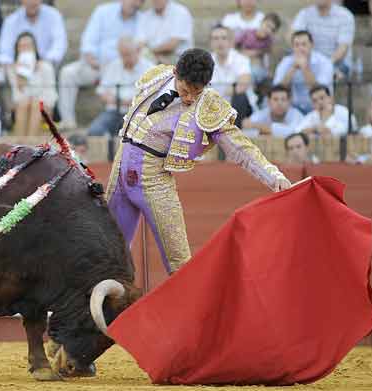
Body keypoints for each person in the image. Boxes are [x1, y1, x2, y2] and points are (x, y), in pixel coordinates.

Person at [106, 48, 291, 274]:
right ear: (175, 73)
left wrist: (274, 177)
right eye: (185, 90)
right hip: (121, 168)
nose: (190, 98)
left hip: (155, 180)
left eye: (197, 92)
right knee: (108, 251)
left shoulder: (208, 105)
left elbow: (238, 146)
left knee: (180, 262)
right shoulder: (156, 77)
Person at [57, 0, 143, 130]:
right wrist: (92, 60)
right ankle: (68, 122)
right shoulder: (103, 11)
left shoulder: (142, 19)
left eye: (140, 1)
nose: (136, 3)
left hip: (122, 68)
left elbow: (139, 48)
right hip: (97, 65)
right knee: (68, 73)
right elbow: (88, 42)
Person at [88, 37, 153, 138]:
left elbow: (147, 98)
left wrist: (119, 100)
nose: (125, 58)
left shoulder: (149, 68)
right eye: (122, 55)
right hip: (113, 111)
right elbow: (102, 92)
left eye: (128, 54)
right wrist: (122, 101)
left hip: (137, 114)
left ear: (137, 51)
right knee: (95, 131)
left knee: (136, 136)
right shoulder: (113, 65)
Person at [6, 32, 57, 136]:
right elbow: (17, 97)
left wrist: (33, 73)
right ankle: (21, 144)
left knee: (35, 104)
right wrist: (21, 77)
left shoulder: (45, 66)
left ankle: (30, 143)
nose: (25, 49)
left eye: (28, 46)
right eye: (22, 46)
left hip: (44, 105)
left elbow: (51, 94)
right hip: (23, 105)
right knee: (24, 103)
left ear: (34, 48)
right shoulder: (12, 69)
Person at [273, 31, 334, 114]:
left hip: (319, 107)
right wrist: (293, 69)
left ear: (312, 45)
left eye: (304, 44)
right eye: (296, 45)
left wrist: (305, 68)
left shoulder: (324, 62)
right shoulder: (286, 62)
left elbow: (319, 90)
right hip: (294, 108)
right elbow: (278, 89)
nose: (300, 48)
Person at [291, 0, 355, 77]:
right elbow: (293, 37)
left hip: (337, 63)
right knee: (289, 63)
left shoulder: (345, 16)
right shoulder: (305, 13)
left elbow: (342, 49)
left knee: (328, 76)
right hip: (311, 61)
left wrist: (324, 65)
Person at [0, 0, 67, 66]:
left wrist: (42, 63)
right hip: (18, 66)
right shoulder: (11, 21)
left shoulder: (54, 16)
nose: (32, 2)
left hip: (45, 64)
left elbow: (59, 47)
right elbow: (3, 52)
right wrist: (15, 64)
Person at [209, 25, 254, 127]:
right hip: (213, 106)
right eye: (216, 38)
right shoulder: (206, 61)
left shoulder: (241, 59)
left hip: (239, 107)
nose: (220, 42)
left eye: (224, 38)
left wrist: (222, 94)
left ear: (230, 42)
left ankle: (234, 132)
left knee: (240, 97)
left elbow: (242, 86)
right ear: (211, 43)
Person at [134, 0, 194, 65]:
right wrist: (152, 55)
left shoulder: (180, 12)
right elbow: (140, 43)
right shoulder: (146, 16)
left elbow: (172, 45)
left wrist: (151, 52)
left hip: (178, 58)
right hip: (152, 57)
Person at [234, 13, 281, 84]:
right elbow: (234, 47)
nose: (268, 30)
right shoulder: (247, 33)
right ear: (262, 22)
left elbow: (271, 57)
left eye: (272, 29)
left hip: (259, 68)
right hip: (242, 62)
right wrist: (245, 53)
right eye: (267, 25)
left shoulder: (270, 41)